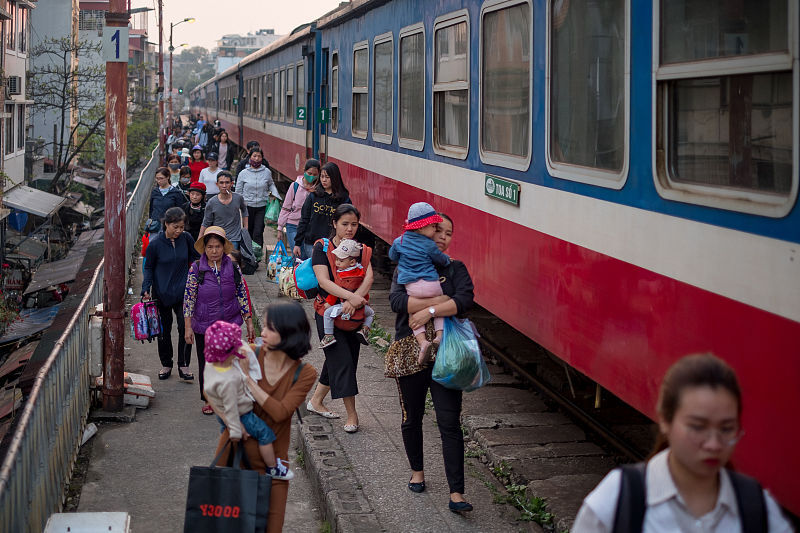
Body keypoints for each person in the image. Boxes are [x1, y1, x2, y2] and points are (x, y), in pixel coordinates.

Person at [572, 353, 794, 533]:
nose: (714, 444)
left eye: (727, 429)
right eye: (698, 427)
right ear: (665, 420)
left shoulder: (757, 508)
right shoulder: (618, 498)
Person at [387, 213, 475, 514]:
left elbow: (464, 300)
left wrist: (427, 311)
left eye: (448, 233)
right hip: (411, 349)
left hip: (447, 352)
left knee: (449, 422)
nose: (442, 236)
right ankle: (417, 471)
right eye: (438, 230)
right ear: (425, 232)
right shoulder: (406, 265)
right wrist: (439, 305)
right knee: (411, 416)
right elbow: (397, 302)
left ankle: (456, 493)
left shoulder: (455, 267)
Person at [306, 204, 372, 433]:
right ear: (334, 224)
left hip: (354, 315)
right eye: (345, 224)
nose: (350, 229)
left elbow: (369, 277)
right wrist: (351, 298)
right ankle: (352, 415)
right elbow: (324, 281)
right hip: (328, 315)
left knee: (343, 360)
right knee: (343, 362)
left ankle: (315, 401)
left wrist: (355, 301)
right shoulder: (322, 247)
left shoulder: (362, 249)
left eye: (354, 224)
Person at [202, 320, 294, 481]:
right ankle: (272, 469)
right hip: (240, 413)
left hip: (220, 410)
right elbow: (231, 408)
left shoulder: (210, 364)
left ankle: (230, 461)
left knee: (227, 436)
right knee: (265, 434)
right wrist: (237, 429)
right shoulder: (229, 380)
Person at [183, 226, 254, 414]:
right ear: (204, 249)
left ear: (224, 247)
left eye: (217, 247)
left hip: (230, 324)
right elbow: (189, 299)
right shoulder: (196, 269)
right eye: (210, 247)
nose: (214, 251)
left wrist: (248, 320)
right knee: (207, 364)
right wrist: (187, 327)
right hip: (204, 326)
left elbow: (241, 293)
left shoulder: (233, 267)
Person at [141, 207, 199, 381]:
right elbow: (149, 268)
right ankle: (166, 364)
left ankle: (184, 364)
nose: (179, 231)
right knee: (163, 330)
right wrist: (145, 288)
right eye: (175, 227)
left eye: (182, 227)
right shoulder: (155, 244)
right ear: (166, 224)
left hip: (183, 293)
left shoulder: (186, 239)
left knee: (185, 327)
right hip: (162, 293)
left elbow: (195, 257)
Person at [389, 202, 451, 364]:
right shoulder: (429, 244)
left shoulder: (399, 241)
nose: (436, 232)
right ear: (421, 227)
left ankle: (422, 342)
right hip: (431, 284)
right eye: (434, 228)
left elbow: (392, 255)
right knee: (440, 311)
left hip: (412, 287)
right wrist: (435, 304)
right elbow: (441, 260)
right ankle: (439, 336)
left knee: (413, 314)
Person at [319, 238, 374, 348]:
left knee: (327, 314)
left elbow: (337, 292)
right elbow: (364, 289)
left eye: (341, 260)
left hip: (343, 305)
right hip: (361, 304)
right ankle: (365, 330)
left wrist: (329, 303)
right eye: (337, 259)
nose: (337, 263)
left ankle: (329, 336)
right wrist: (363, 301)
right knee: (371, 313)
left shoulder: (343, 276)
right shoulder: (361, 272)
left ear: (352, 262)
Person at [294, 162, 350, 260]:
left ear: (335, 178)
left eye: (327, 177)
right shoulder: (313, 196)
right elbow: (304, 220)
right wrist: (297, 243)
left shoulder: (343, 199)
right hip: (312, 243)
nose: (324, 180)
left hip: (335, 245)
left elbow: (348, 222)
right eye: (322, 176)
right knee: (316, 272)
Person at [236, 148, 280, 249]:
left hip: (261, 206)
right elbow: (238, 190)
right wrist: (238, 204)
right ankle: (248, 253)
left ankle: (257, 255)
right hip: (247, 207)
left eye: (259, 156)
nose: (256, 159)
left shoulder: (267, 172)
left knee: (258, 231)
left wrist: (276, 195)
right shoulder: (243, 173)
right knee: (248, 231)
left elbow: (271, 184)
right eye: (254, 156)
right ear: (250, 157)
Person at [277, 158, 320, 252]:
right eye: (309, 173)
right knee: (297, 254)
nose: (312, 177)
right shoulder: (295, 186)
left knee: (305, 256)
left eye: (315, 175)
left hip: (309, 228)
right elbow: (286, 207)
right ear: (304, 171)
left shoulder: (318, 190)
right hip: (293, 225)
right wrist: (280, 228)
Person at [199, 171, 248, 250]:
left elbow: (245, 211)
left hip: (234, 237)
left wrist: (245, 229)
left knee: (232, 260)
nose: (224, 186)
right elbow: (206, 221)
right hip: (218, 237)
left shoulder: (238, 198)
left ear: (232, 184)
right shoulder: (212, 202)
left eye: (227, 183)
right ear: (217, 184)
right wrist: (200, 238)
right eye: (221, 183)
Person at [148, 167, 185, 236]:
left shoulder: (176, 193)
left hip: (170, 225)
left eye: (161, 178)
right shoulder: (155, 191)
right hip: (155, 225)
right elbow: (151, 209)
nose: (159, 181)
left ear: (168, 177)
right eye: (157, 178)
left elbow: (180, 211)